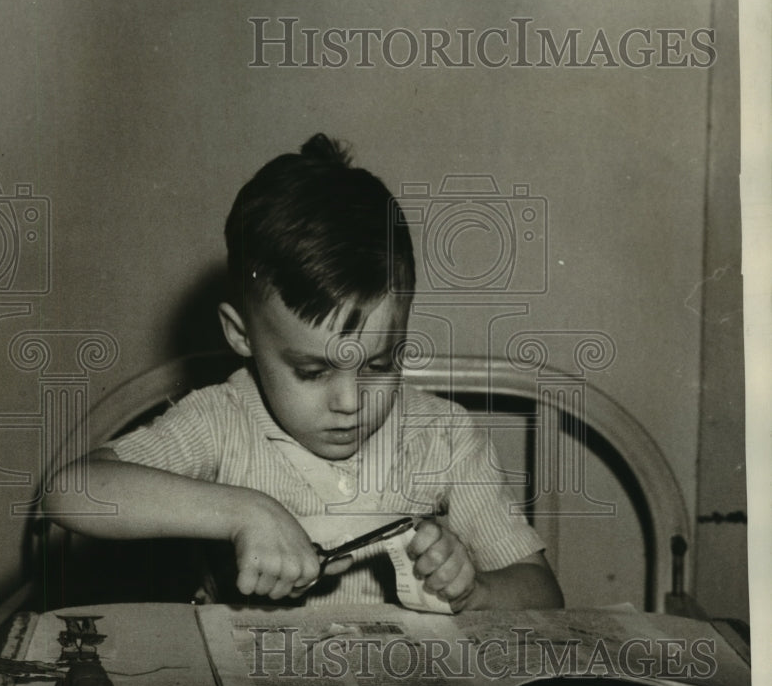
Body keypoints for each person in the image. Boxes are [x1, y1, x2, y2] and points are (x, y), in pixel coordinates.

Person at [44, 134, 563, 611]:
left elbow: (544, 596)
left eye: (379, 365)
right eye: (312, 372)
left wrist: (476, 590)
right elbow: (71, 491)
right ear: (241, 334)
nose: (349, 402)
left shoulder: (444, 439)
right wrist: (244, 513)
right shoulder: (219, 423)